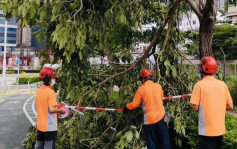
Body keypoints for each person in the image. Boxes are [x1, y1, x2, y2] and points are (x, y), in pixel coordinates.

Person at [190, 56, 233, 149]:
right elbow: (230, 106)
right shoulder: (223, 85)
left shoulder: (199, 85)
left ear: (202, 69)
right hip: (220, 130)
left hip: (206, 131)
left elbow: (195, 108)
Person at [124, 69, 171, 149]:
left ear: (143, 79)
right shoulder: (158, 86)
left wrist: (126, 107)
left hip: (150, 120)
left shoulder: (141, 89)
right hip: (162, 117)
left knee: (152, 143)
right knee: (165, 141)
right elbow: (161, 98)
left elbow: (135, 104)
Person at [35, 67, 65, 149]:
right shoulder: (51, 92)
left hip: (40, 126)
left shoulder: (39, 91)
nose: (53, 80)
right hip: (50, 127)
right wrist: (61, 110)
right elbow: (51, 109)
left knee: (39, 147)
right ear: (50, 80)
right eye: (53, 78)